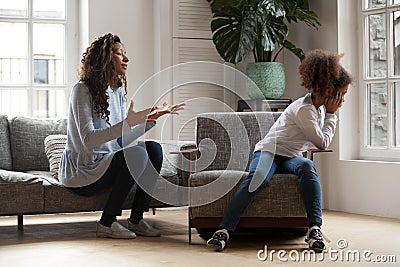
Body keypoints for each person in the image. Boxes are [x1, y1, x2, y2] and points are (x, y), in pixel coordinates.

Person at [206, 49, 353, 252]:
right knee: (258, 176)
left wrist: (327, 113)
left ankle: (314, 229)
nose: (342, 101)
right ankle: (224, 230)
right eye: (341, 94)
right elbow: (322, 142)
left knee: (307, 167)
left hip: (291, 157)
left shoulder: (318, 108)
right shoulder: (305, 109)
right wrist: (332, 115)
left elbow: (318, 141)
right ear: (329, 90)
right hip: (269, 151)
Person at [58, 33, 184, 239]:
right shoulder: (82, 90)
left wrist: (149, 120)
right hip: (82, 171)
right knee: (137, 154)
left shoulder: (117, 92)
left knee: (153, 149)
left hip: (105, 164)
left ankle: (136, 220)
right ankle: (107, 223)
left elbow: (118, 142)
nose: (126, 58)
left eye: (125, 53)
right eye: (119, 53)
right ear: (105, 58)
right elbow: (89, 140)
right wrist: (127, 123)